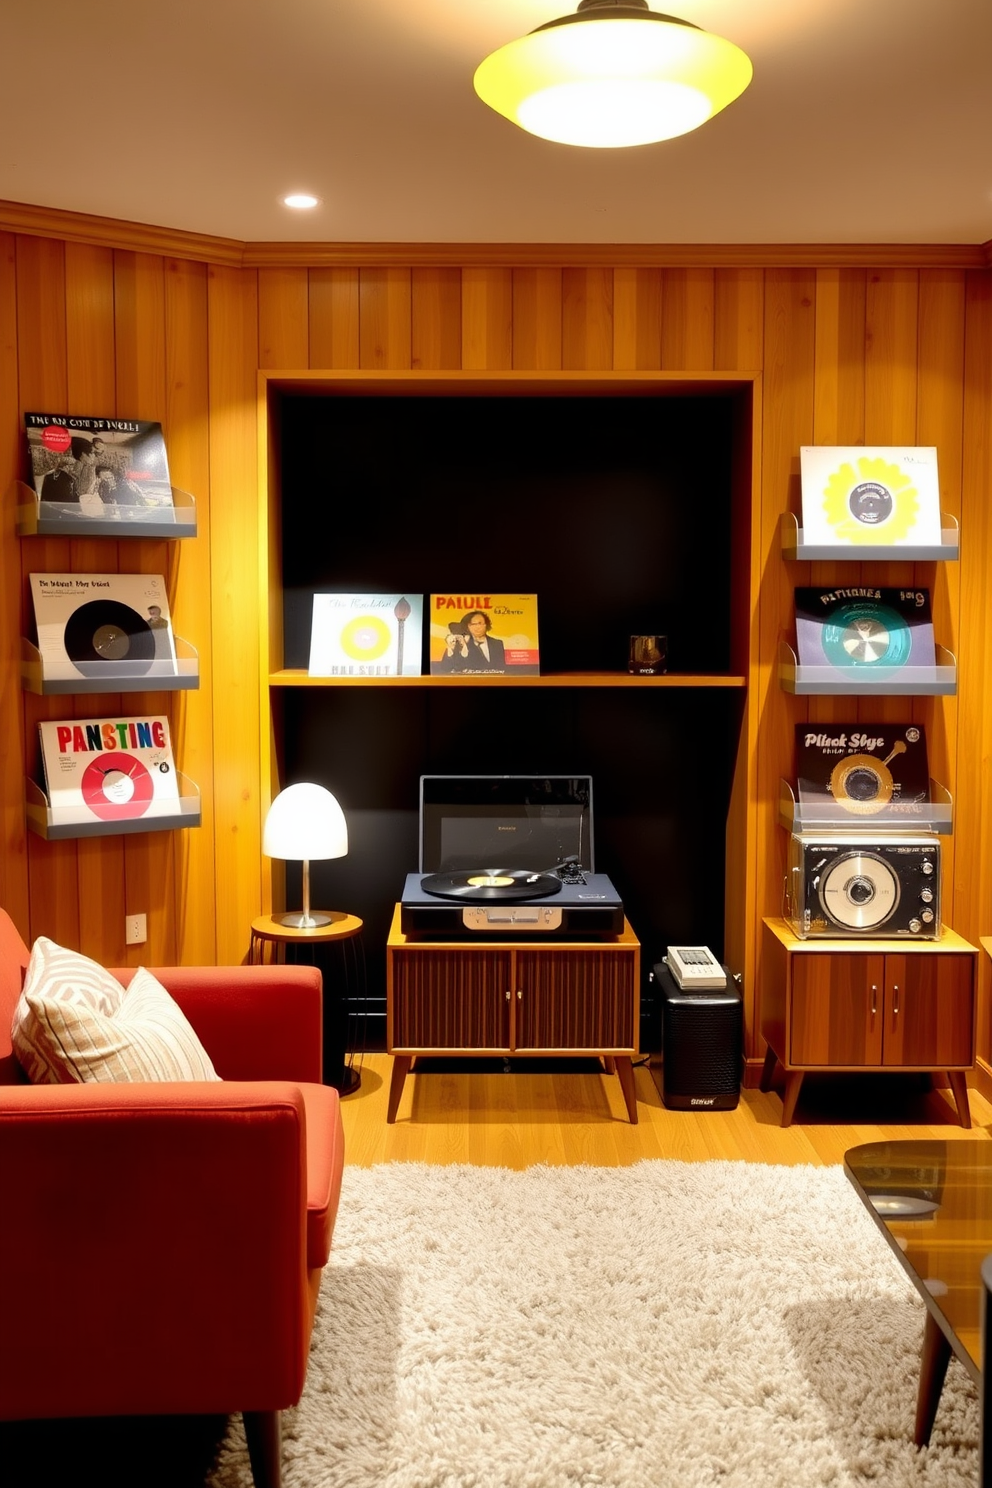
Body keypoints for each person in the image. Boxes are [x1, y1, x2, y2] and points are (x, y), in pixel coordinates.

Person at [436, 610, 506, 673]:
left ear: (486, 625)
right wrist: (450, 648)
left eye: (480, 623)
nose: (477, 627)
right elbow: (445, 668)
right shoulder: (460, 643)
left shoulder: (497, 644)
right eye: (472, 624)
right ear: (466, 627)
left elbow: (502, 669)